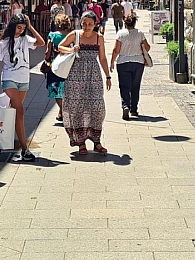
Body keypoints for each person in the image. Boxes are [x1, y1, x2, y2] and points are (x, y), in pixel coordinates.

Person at [0, 13, 45, 161]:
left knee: (12, 113)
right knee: (19, 111)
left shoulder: (25, 39)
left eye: (22, 28)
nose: (20, 30)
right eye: (18, 27)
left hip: (23, 80)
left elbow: (41, 43)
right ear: (13, 26)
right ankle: (24, 149)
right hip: (9, 80)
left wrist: (30, 27)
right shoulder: (3, 43)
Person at [58, 12, 111, 155]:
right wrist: (71, 49)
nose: (86, 26)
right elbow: (60, 47)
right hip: (75, 76)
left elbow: (103, 58)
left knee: (97, 107)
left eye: (90, 24)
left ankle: (96, 141)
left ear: (95, 24)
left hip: (93, 76)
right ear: (80, 23)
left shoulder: (99, 37)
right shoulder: (74, 35)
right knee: (76, 108)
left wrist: (108, 76)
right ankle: (80, 142)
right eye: (84, 23)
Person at [110, 13, 151, 120]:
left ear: (125, 23)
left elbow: (116, 50)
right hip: (138, 63)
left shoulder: (120, 34)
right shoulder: (140, 33)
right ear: (134, 23)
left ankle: (125, 106)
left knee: (124, 86)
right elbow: (147, 47)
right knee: (135, 86)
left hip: (123, 62)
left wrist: (112, 62)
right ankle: (134, 109)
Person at [45, 13, 72, 121]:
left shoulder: (52, 35)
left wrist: (46, 59)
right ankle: (61, 112)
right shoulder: (71, 35)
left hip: (55, 66)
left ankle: (63, 110)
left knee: (56, 90)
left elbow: (48, 52)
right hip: (69, 65)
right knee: (66, 89)